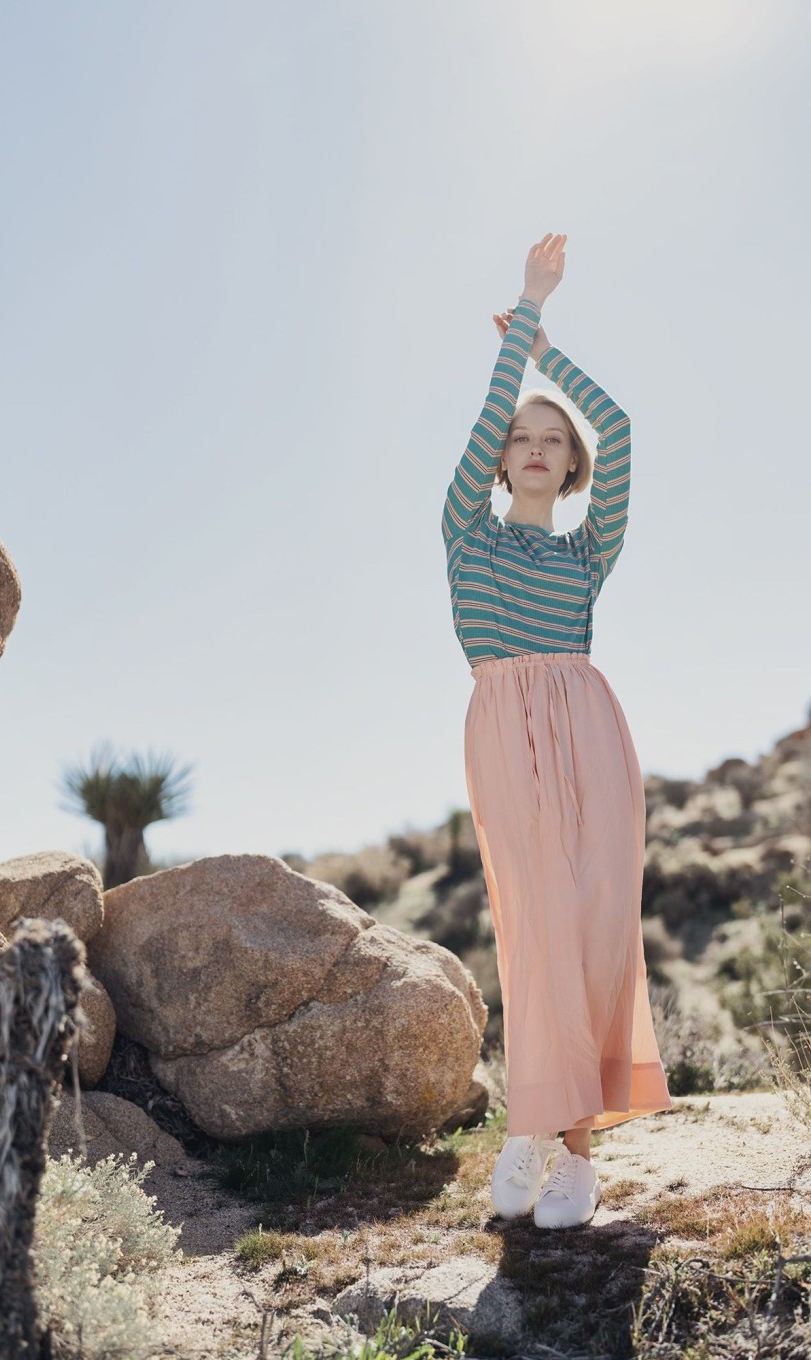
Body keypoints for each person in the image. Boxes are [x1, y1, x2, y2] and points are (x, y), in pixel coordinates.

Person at [441, 233, 673, 1231]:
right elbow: (495, 415)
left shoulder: (588, 555)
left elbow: (617, 424)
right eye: (521, 437)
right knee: (537, 928)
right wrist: (522, 315)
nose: (536, 446)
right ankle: (535, 1123)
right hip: (506, 728)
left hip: (592, 734)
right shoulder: (466, 531)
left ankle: (576, 1152)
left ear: (570, 466)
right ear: (502, 460)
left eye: (552, 439)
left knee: (591, 927)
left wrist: (549, 353)